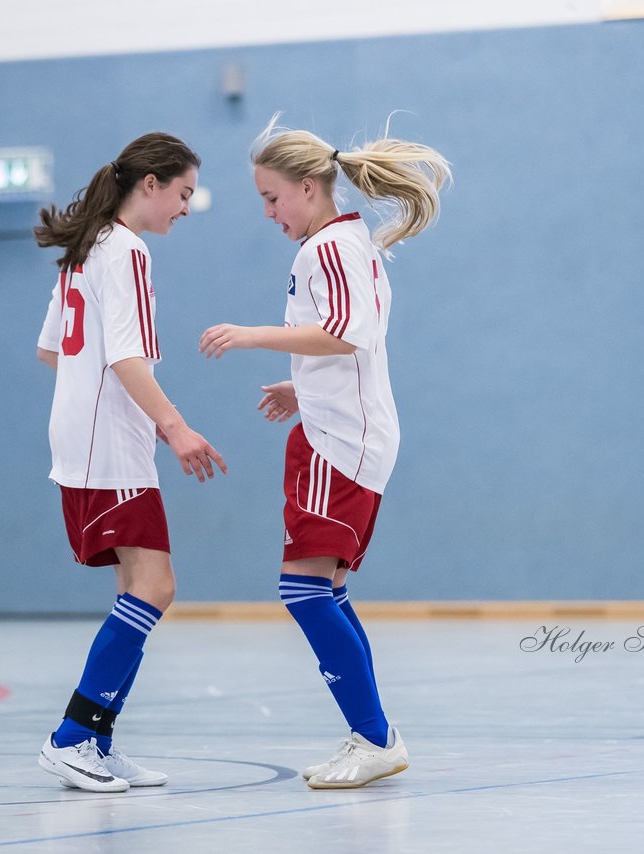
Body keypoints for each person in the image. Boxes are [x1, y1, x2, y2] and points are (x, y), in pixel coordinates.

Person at [199, 116, 449, 789]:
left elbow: (343, 334)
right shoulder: (345, 243)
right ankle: (374, 736)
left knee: (304, 592)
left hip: (341, 442)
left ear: (309, 188)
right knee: (326, 591)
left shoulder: (326, 250)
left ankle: (375, 738)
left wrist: (253, 337)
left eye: (271, 197)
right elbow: (348, 344)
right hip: (340, 428)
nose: (268, 212)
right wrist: (300, 387)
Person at [33, 132, 225, 794]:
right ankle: (74, 736)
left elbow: (52, 352)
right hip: (110, 447)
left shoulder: (83, 251)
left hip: (83, 440)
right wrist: (174, 428)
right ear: (150, 184)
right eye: (182, 193)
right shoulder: (129, 252)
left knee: (140, 587)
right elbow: (123, 356)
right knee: (155, 586)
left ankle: (97, 739)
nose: (184, 207)